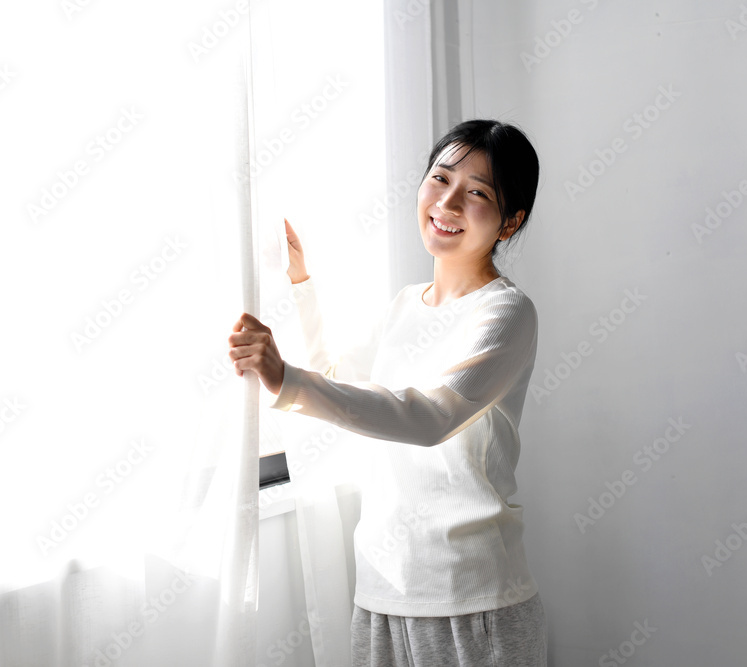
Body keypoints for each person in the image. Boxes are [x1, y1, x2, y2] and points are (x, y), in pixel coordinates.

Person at [228, 119, 546, 666]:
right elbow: (336, 379)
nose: (447, 202)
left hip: (471, 599)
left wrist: (288, 380)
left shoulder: (507, 313)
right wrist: (300, 283)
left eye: (476, 193)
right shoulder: (404, 305)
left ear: (510, 221)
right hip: (381, 591)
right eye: (439, 178)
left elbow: (430, 418)